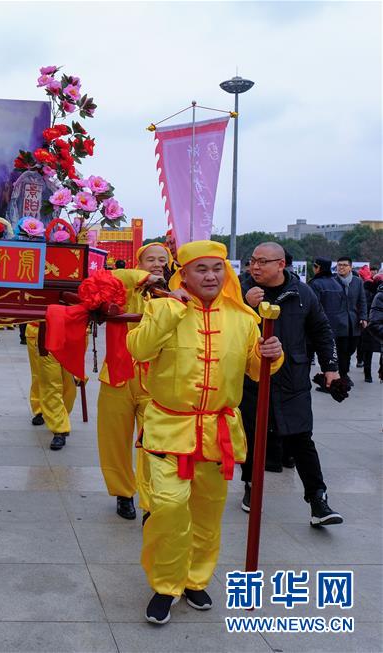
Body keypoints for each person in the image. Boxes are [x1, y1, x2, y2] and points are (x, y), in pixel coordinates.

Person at [126, 240, 283, 625]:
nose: (210, 275)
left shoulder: (244, 317)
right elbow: (139, 349)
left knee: (208, 513)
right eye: (201, 269)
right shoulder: (162, 306)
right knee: (167, 506)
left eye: (217, 268)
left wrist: (271, 355)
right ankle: (165, 584)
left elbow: (254, 369)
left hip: (218, 431)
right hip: (168, 427)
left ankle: (196, 579)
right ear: (185, 272)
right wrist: (171, 310)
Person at [239, 243, 342, 527]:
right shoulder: (239, 290)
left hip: (292, 379)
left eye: (263, 262)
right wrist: (245, 304)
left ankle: (318, 500)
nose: (255, 267)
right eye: (252, 261)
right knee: (251, 435)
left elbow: (322, 330)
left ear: (281, 264)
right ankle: (251, 486)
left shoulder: (302, 293)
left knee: (301, 438)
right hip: (252, 379)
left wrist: (331, 369)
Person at [96, 244, 168, 521]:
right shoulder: (122, 289)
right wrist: (141, 278)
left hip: (156, 381)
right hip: (117, 375)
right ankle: (123, 493)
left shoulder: (174, 296)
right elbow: (108, 279)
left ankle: (150, 502)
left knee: (153, 444)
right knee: (114, 440)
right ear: (138, 264)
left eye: (163, 260)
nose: (157, 264)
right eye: (150, 259)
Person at [309, 257, 367, 386]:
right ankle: (342, 374)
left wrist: (363, 317)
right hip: (336, 322)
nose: (341, 267)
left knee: (350, 349)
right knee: (340, 350)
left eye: (344, 265)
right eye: (339, 265)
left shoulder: (357, 282)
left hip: (353, 321)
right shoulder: (332, 281)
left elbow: (362, 301)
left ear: (350, 267)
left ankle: (342, 372)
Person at [26, 322, 77, 450]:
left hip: (70, 331)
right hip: (40, 331)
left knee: (69, 381)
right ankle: (58, 427)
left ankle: (61, 414)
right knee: (44, 378)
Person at [358, 272, 382, 382]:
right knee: (368, 350)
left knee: (369, 350)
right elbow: (363, 306)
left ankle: (372, 372)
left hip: (371, 323)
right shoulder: (370, 293)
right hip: (369, 324)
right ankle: (367, 373)